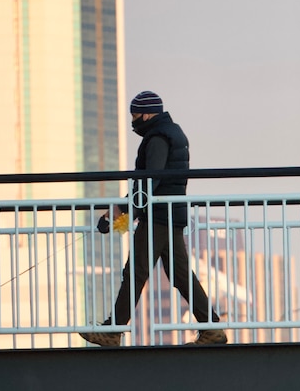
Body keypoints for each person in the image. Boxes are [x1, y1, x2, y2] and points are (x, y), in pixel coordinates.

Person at [79, 90, 227, 347]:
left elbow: (149, 181)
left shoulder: (157, 138)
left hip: (158, 217)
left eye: (135, 114)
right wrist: (124, 211)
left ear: (147, 113)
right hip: (169, 213)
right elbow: (151, 182)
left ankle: (113, 331)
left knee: (134, 272)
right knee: (180, 276)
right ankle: (212, 329)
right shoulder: (171, 133)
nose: (133, 120)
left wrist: (121, 214)